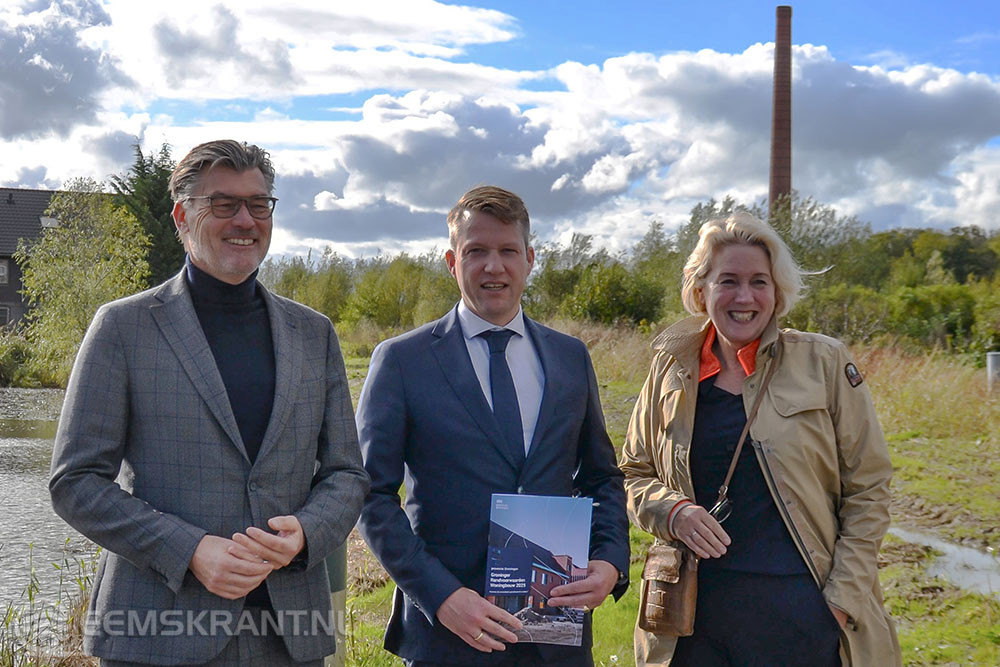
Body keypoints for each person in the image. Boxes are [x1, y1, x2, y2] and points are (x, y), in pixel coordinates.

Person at [49, 140, 369, 666]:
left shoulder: (315, 334)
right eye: (224, 204)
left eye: (258, 203)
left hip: (290, 635)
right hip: (155, 634)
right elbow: (75, 481)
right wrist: (190, 550)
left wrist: (307, 533)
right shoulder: (122, 328)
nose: (244, 219)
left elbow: (347, 475)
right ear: (183, 215)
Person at [357, 185, 630, 666]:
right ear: (451, 261)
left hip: (555, 633)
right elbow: (371, 496)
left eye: (507, 251)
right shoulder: (402, 361)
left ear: (529, 258)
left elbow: (602, 477)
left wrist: (609, 560)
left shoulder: (570, 357)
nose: (493, 266)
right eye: (476, 251)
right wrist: (441, 596)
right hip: (451, 633)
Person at [620, 211, 901, 666]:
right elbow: (633, 472)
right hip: (693, 624)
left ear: (777, 291)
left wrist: (839, 602)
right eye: (728, 281)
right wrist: (672, 511)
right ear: (700, 289)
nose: (744, 297)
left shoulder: (824, 363)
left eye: (759, 282)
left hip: (802, 620)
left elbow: (869, 490)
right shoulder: (671, 367)